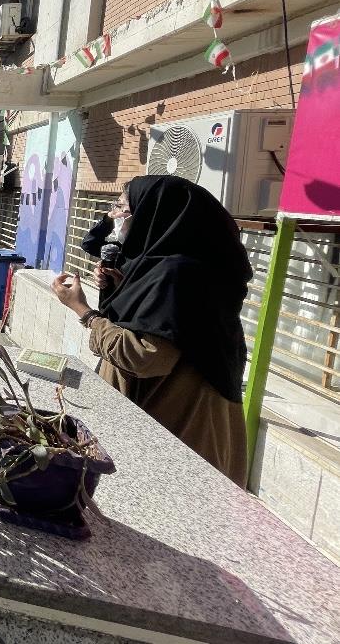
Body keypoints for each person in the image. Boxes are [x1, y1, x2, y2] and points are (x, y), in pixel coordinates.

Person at [50, 175, 252, 487]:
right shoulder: (178, 267)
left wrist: (83, 311)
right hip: (172, 417)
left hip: (178, 430)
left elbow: (144, 356)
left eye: (123, 208)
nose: (116, 216)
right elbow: (161, 322)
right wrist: (121, 288)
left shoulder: (178, 274)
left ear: (152, 214)